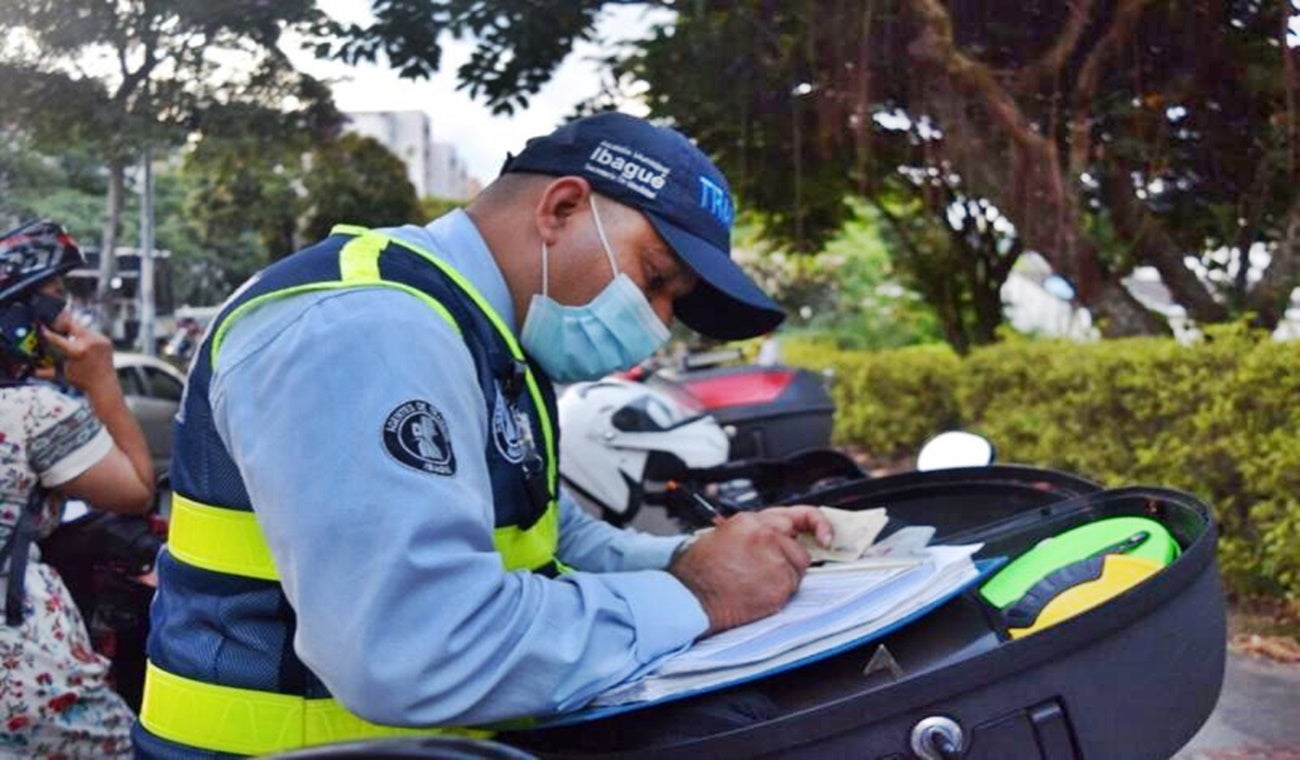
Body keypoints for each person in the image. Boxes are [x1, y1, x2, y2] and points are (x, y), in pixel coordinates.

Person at [137, 113, 834, 758]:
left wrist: (708, 556)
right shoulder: (369, 328)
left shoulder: (485, 336)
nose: (657, 321)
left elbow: (551, 539)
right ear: (561, 208)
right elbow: (418, 647)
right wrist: (701, 597)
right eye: (654, 279)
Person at [0, 220, 155, 757]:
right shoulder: (30, 413)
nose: (67, 315)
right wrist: (101, 380)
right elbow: (136, 489)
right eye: (52, 303)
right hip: (26, 681)